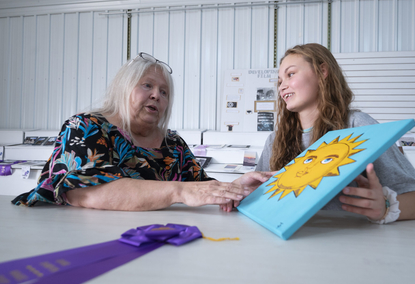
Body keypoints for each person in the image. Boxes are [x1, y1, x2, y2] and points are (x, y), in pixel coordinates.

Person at [12, 52, 272, 211]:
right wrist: (177, 192)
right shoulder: (85, 127)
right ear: (123, 88)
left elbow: (200, 188)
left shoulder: (173, 144)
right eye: (147, 85)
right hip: (60, 240)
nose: (156, 95)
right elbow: (83, 193)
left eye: (164, 92)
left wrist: (234, 188)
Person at [255, 43, 415, 223]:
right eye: (280, 81)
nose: (282, 86)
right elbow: (258, 200)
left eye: (291, 74)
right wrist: (235, 193)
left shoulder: (357, 126)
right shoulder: (274, 140)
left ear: (322, 72)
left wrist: (385, 207)